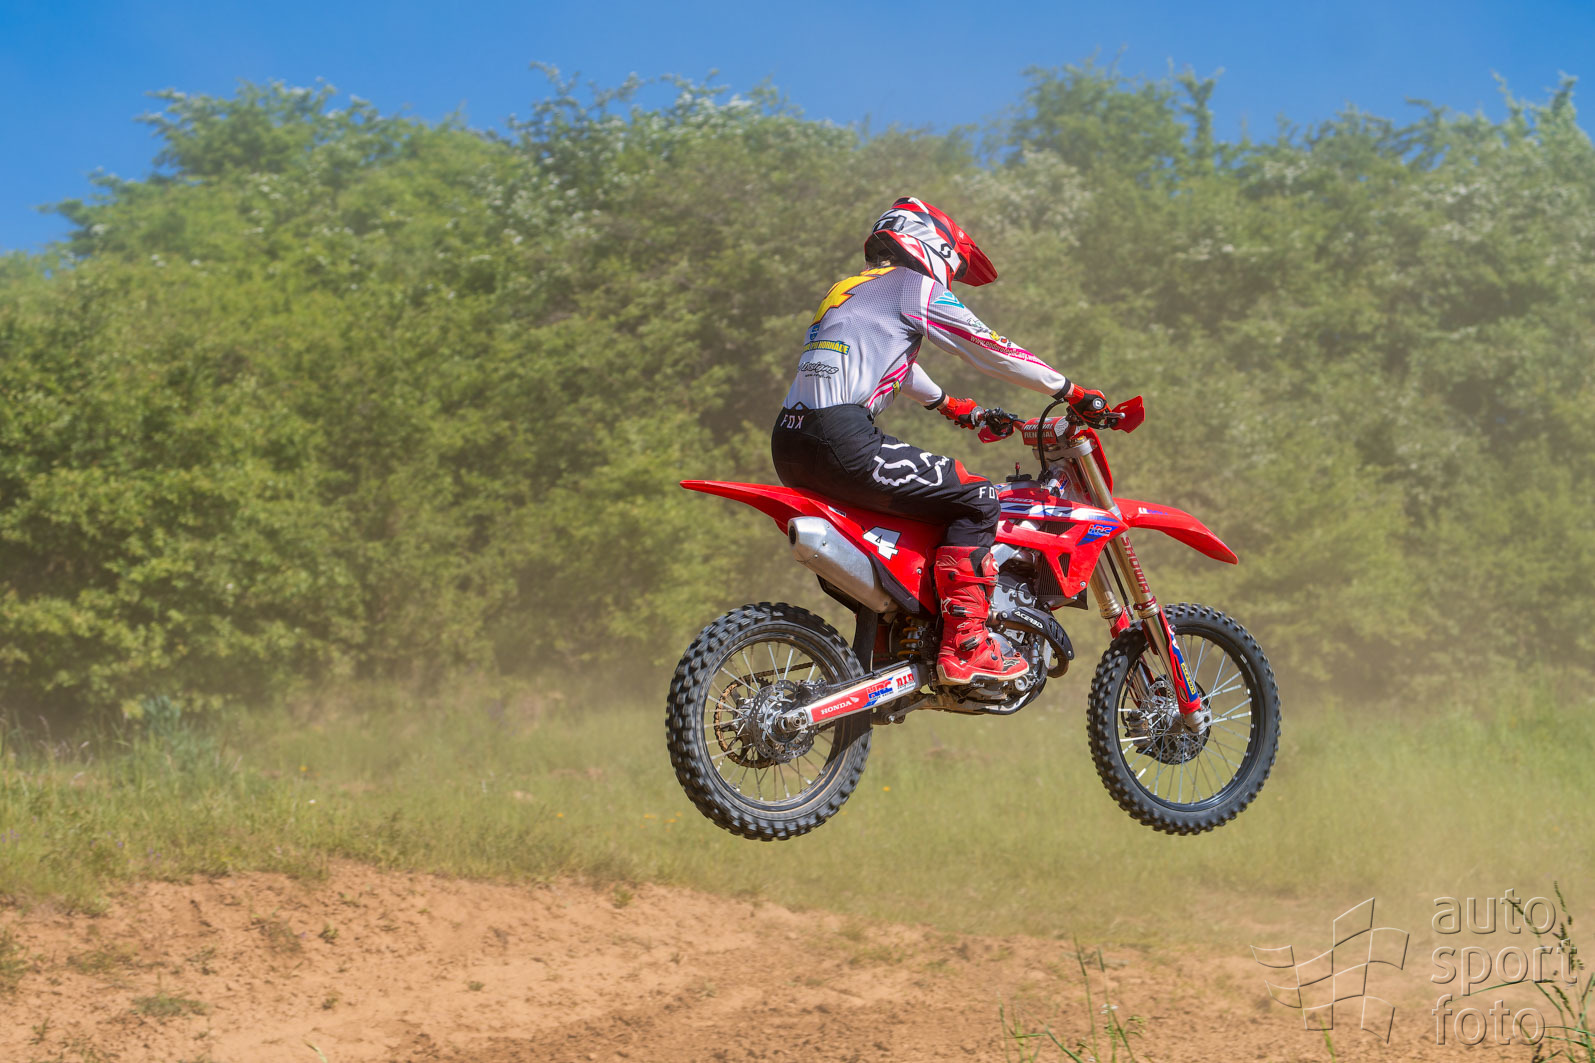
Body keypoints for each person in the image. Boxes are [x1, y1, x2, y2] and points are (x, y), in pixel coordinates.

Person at [772, 196, 1103, 685]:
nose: (953, 276)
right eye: (956, 264)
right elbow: (989, 348)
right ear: (935, 245)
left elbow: (886, 357)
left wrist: (952, 405)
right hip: (841, 439)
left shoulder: (849, 289)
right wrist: (1070, 391)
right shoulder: (914, 286)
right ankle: (966, 646)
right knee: (979, 497)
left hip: (790, 442)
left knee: (913, 517)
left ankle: (895, 636)